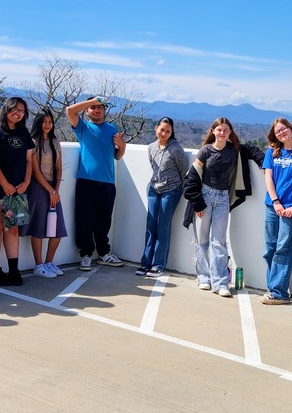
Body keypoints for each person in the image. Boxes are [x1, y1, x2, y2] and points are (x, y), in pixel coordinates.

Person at [182, 117, 264, 297]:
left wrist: (263, 161)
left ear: (230, 133)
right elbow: (192, 177)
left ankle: (220, 282)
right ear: (213, 131)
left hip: (223, 198)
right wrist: (197, 202)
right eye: (219, 130)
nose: (222, 133)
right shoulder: (205, 151)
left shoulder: (234, 150)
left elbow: (251, 150)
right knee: (202, 239)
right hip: (204, 196)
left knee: (219, 241)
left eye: (226, 130)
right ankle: (204, 277)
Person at [65, 96, 127, 271]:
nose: (97, 110)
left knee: (103, 221)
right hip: (86, 181)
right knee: (85, 220)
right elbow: (70, 111)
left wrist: (123, 146)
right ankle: (85, 255)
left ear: (105, 110)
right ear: (87, 110)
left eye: (100, 107)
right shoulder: (83, 127)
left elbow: (117, 156)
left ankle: (103, 254)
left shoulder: (112, 129)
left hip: (107, 182)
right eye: (93, 107)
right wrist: (93, 99)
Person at [0, 97, 35, 286]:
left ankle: (13, 271)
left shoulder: (23, 133)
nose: (17, 113)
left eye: (21, 110)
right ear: (6, 109)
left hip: (18, 189)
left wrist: (26, 182)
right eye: (14, 109)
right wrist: (4, 184)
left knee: (12, 228)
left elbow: (29, 160)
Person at [260, 118, 292, 305]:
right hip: (272, 205)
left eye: (284, 129)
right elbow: (268, 178)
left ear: (291, 129)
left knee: (283, 248)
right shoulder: (271, 153)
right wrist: (275, 202)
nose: (281, 133)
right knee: (270, 248)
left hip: (291, 207)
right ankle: (273, 287)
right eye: (277, 131)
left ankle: (279, 292)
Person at [137, 117, 188, 277]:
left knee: (162, 226)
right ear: (156, 128)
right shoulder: (151, 147)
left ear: (171, 133)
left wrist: (177, 190)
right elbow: (154, 167)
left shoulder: (176, 149)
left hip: (171, 190)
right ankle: (145, 263)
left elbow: (183, 171)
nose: (164, 133)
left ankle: (158, 265)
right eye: (162, 129)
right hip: (154, 189)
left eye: (168, 131)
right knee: (150, 226)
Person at [22, 108, 68, 279]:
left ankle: (49, 262)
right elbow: (35, 171)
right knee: (39, 227)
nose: (47, 125)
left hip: (52, 189)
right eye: (44, 121)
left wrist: (56, 190)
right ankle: (39, 265)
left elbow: (58, 168)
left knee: (57, 229)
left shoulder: (55, 142)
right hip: (38, 187)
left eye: (50, 122)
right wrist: (50, 191)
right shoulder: (33, 142)